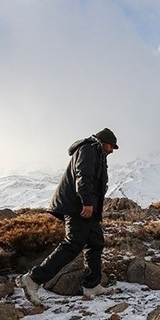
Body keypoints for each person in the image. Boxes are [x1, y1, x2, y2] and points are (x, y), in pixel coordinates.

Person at [16, 128, 119, 306]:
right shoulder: (89, 149)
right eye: (111, 146)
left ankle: (92, 285)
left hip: (88, 209)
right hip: (77, 207)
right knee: (73, 244)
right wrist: (87, 202)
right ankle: (32, 279)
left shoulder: (97, 153)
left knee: (95, 243)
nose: (112, 151)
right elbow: (83, 176)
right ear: (105, 142)